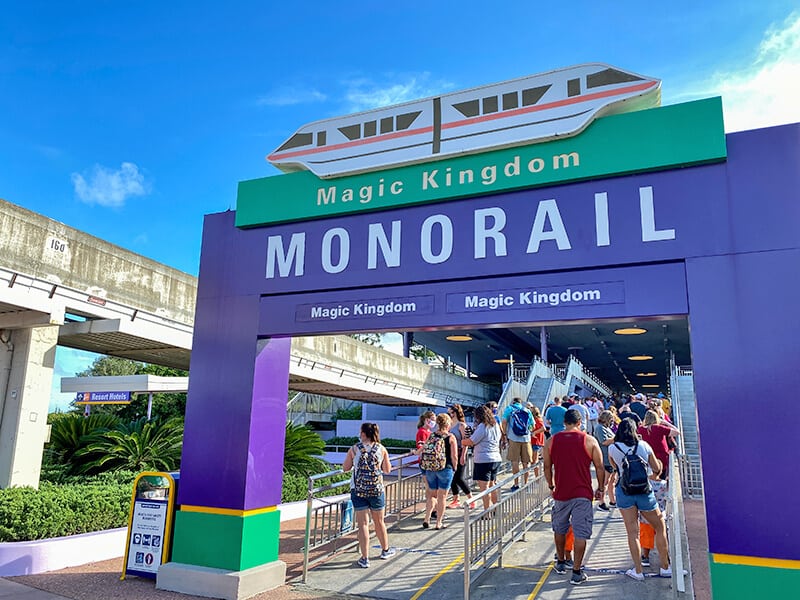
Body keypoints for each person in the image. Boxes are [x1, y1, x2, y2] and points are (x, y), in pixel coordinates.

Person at [543, 409, 605, 585]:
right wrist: (600, 488)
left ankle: (561, 562)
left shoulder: (551, 441)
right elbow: (600, 467)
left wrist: (551, 485)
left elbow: (547, 467)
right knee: (581, 533)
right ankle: (576, 572)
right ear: (579, 423)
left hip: (561, 493)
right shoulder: (589, 441)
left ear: (564, 422)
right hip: (583, 493)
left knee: (559, 528)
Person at [609, 418, 674, 581]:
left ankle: (638, 570)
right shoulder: (644, 446)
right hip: (644, 491)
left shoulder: (613, 447)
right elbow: (657, 468)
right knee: (659, 527)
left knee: (633, 533)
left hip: (624, 491)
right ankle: (665, 567)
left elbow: (616, 469)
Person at [342, 422, 395, 568]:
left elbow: (345, 468)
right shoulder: (381, 448)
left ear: (363, 433)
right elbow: (387, 470)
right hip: (376, 491)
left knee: (363, 525)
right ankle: (385, 550)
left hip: (358, 490)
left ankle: (365, 558)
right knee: (379, 522)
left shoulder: (354, 449)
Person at [419, 413, 458, 529]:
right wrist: (455, 468)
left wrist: (415, 453)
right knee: (442, 497)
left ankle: (427, 518)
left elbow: (424, 448)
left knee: (431, 495)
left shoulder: (432, 435)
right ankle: (438, 523)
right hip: (445, 468)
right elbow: (454, 456)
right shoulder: (451, 437)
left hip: (431, 468)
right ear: (448, 423)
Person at [461, 405, 502, 511]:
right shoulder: (495, 425)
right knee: (492, 484)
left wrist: (462, 441)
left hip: (483, 459)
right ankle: (496, 507)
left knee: (484, 488)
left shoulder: (483, 426)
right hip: (496, 457)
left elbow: (471, 441)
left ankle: (487, 511)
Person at [501, 397, 534, 491]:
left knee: (515, 462)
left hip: (513, 438)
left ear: (513, 402)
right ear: (521, 403)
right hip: (526, 439)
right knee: (525, 463)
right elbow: (533, 425)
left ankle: (516, 484)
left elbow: (504, 422)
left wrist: (505, 434)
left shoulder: (509, 409)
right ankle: (525, 484)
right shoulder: (527, 410)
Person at [446, 404, 474, 509]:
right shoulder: (449, 425)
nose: (450, 415)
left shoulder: (461, 425)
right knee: (452, 477)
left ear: (457, 413)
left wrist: (463, 455)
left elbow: (465, 441)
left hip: (460, 452)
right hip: (451, 453)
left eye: (452, 413)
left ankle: (471, 498)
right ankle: (455, 499)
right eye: (449, 413)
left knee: (459, 477)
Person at [638, 410, 679, 480]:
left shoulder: (640, 429)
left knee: (650, 477)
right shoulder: (659, 428)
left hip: (648, 457)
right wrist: (665, 422)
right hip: (662, 456)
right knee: (662, 478)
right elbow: (677, 432)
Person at [593, 410, 617, 510]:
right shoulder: (599, 428)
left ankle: (612, 500)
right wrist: (618, 438)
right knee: (604, 482)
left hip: (611, 458)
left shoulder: (605, 428)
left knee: (612, 481)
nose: (612, 421)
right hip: (605, 458)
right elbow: (604, 442)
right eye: (611, 419)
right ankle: (601, 502)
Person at [529, 405, 546, 476]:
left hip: (536, 441)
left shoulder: (537, 420)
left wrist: (534, 433)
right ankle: (537, 476)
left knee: (534, 461)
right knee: (534, 461)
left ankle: (537, 477)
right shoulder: (536, 419)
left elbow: (543, 428)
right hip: (535, 441)